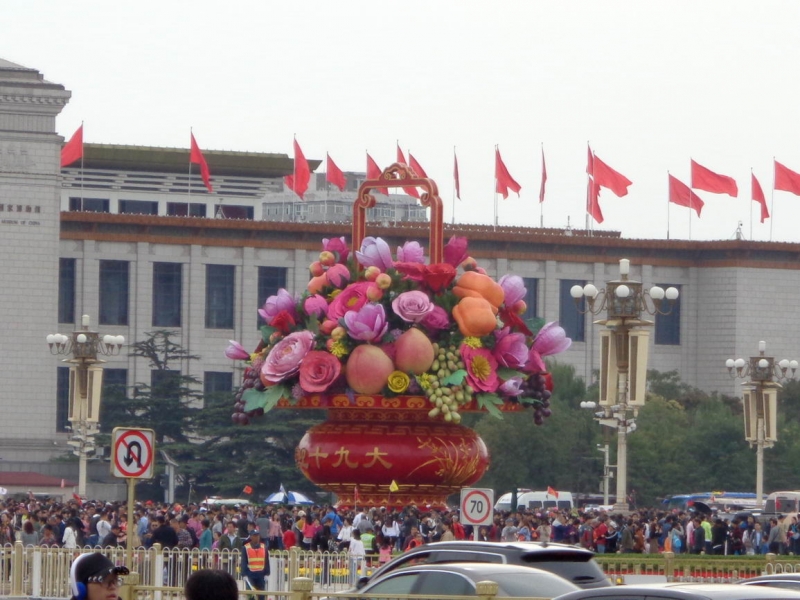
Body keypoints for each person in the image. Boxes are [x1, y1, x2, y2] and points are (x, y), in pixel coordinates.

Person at [241, 528, 270, 593]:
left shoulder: (264, 547)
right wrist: (244, 574)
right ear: (251, 537)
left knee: (261, 594)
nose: (256, 537)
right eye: (254, 536)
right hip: (250, 574)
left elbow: (266, 561)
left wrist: (267, 573)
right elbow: (244, 562)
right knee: (251, 595)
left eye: (257, 535)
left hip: (261, 574)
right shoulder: (245, 548)